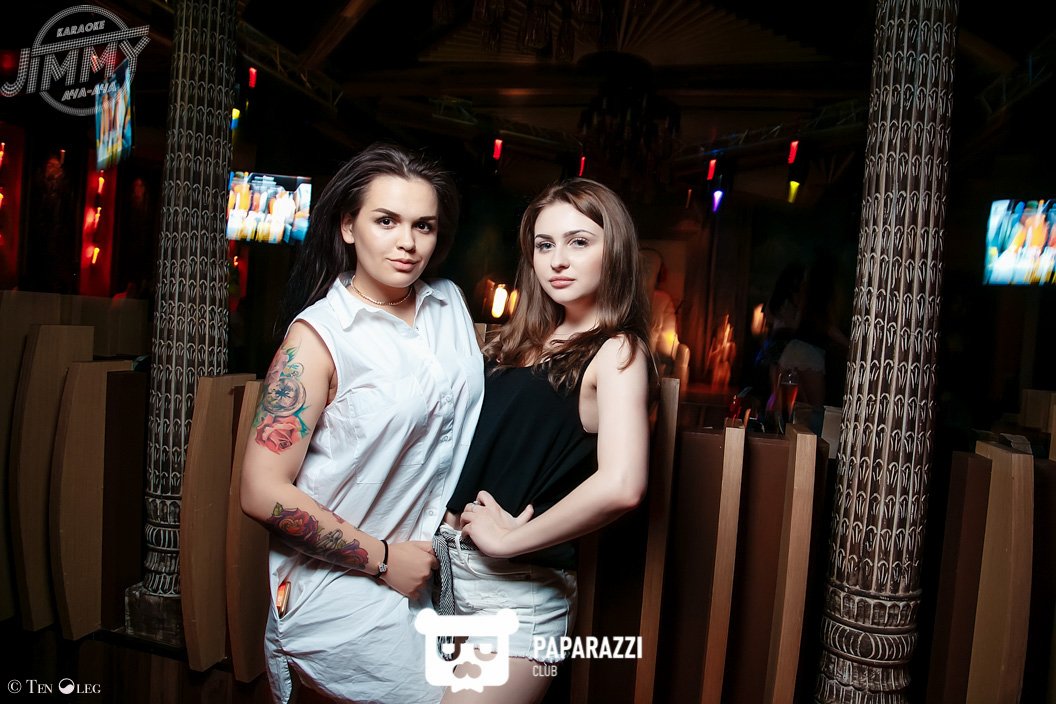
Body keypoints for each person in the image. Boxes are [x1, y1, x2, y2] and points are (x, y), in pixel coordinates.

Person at [240, 143, 484, 703]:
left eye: (423, 226)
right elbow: (260, 490)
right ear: (348, 226)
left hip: (436, 579)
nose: (407, 242)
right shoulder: (318, 339)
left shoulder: (449, 304)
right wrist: (383, 560)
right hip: (342, 588)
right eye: (386, 221)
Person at [436, 178, 653, 703]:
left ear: (614, 251)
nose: (558, 260)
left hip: (514, 592)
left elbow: (622, 484)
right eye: (544, 244)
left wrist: (509, 541)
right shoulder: (515, 343)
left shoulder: (617, 351)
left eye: (579, 242)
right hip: (443, 571)